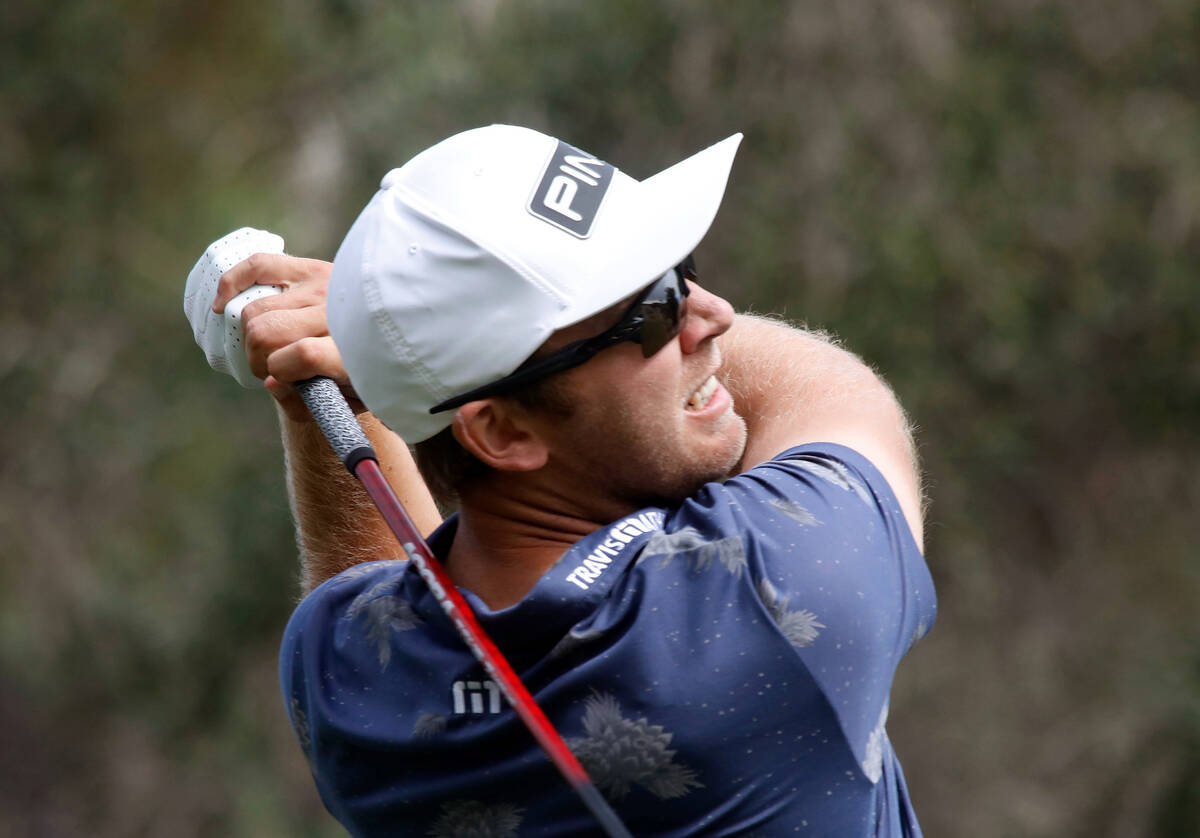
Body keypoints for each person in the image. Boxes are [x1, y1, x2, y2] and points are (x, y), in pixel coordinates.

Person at [200, 124, 936, 837]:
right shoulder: (771, 594)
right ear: (502, 432)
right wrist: (368, 345)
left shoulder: (340, 682)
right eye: (652, 311)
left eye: (687, 271)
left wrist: (378, 359)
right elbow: (838, 394)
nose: (713, 315)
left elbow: (392, 595)